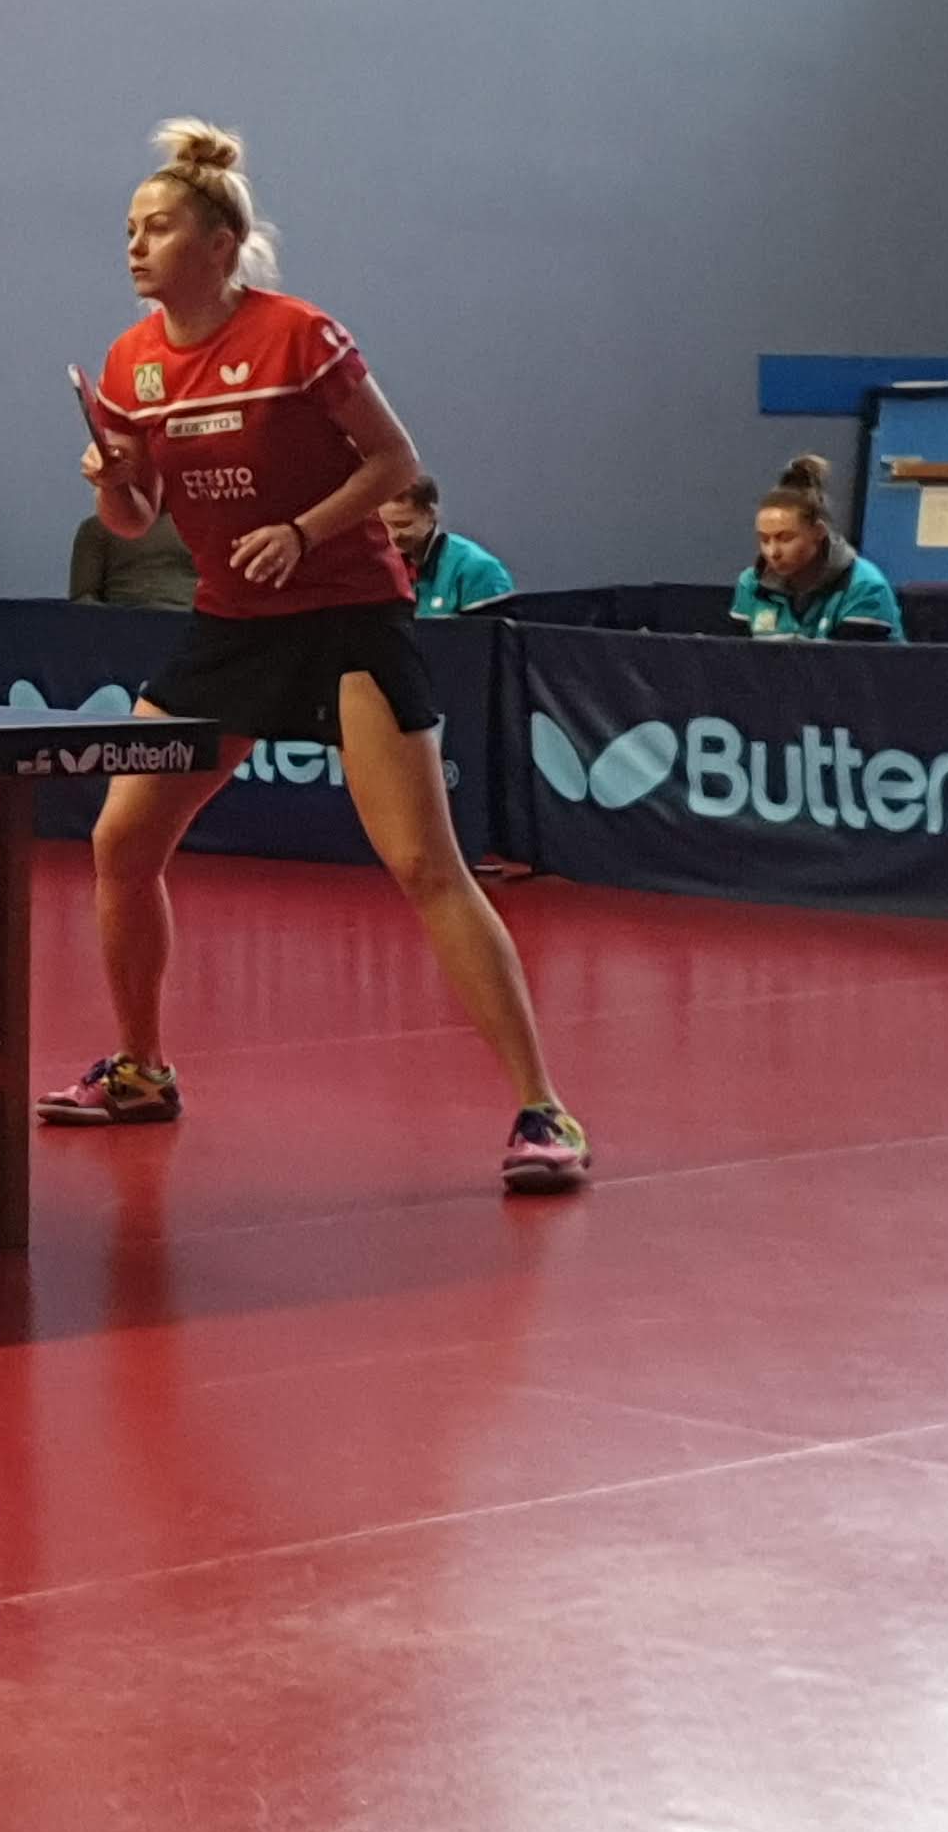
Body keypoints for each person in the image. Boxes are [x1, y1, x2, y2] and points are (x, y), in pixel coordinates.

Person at [52, 120, 589, 1194]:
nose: (135, 245)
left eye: (159, 227)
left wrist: (303, 531)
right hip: (231, 625)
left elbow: (394, 461)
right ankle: (143, 1070)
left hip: (347, 618)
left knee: (423, 864)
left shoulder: (299, 337)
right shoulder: (130, 363)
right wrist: (112, 479)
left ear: (219, 244)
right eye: (130, 229)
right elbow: (135, 519)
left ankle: (545, 1110)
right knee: (123, 841)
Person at [735, 454, 904, 640]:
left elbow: (853, 659)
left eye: (786, 538)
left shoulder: (864, 586)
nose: (773, 552)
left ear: (819, 531)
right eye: (764, 539)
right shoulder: (751, 584)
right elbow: (733, 654)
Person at [379, 476, 515, 619]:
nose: (392, 535)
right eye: (383, 525)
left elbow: (488, 632)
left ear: (431, 515)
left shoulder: (479, 570)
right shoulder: (382, 568)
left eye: (403, 524)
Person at [69, 504, 198, 610]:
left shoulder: (202, 528)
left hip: (189, 623)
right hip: (122, 623)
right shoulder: (96, 528)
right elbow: (82, 599)